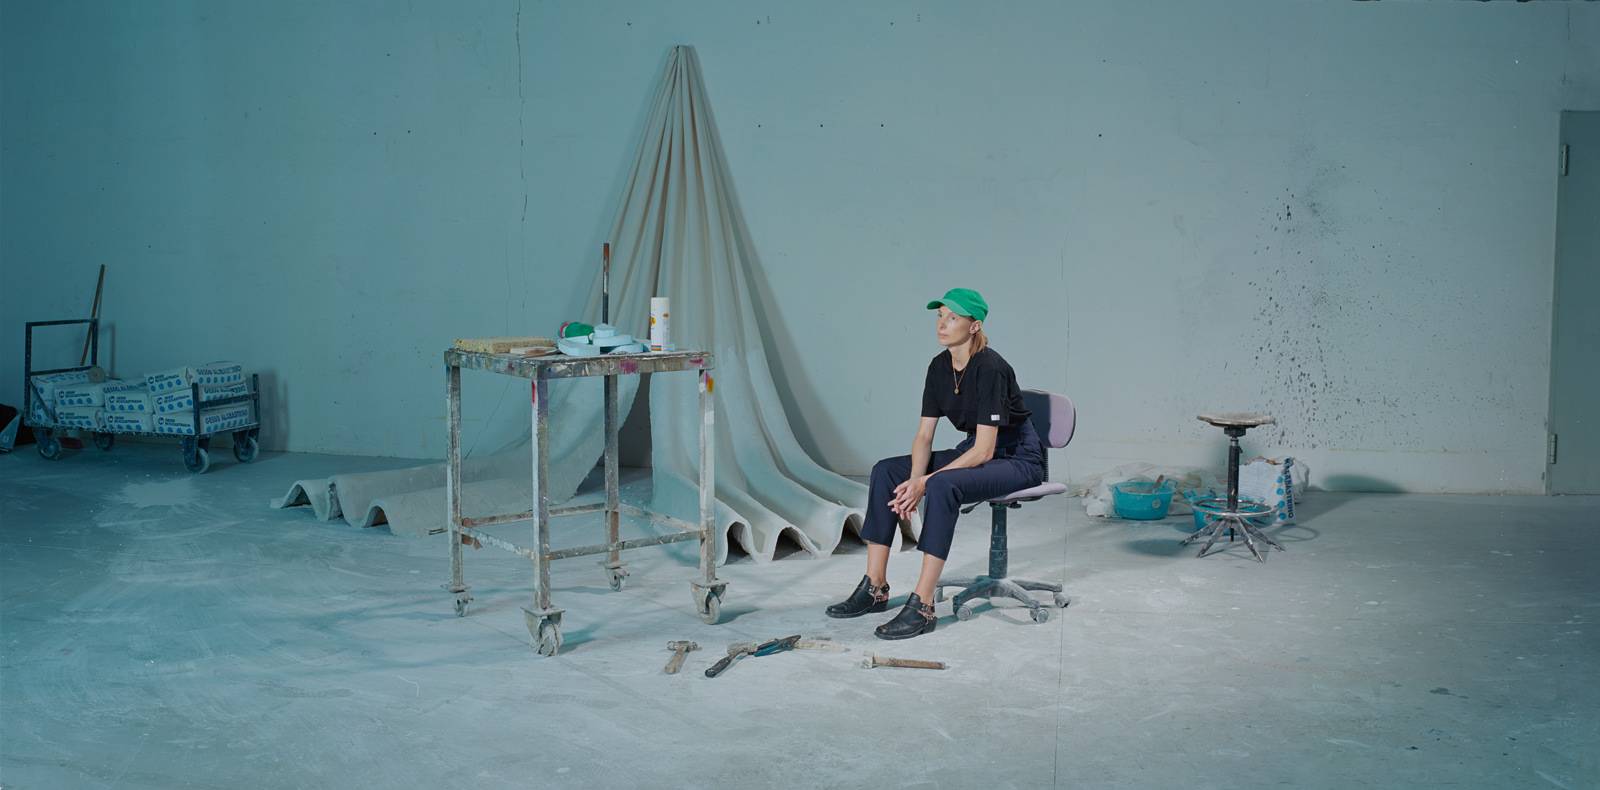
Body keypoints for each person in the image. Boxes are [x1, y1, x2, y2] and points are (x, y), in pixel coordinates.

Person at [827, 288, 1046, 639]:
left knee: (943, 483)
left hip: (1017, 457)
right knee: (886, 470)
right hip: (974, 448)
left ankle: (923, 605)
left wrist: (926, 483)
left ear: (974, 326)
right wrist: (914, 479)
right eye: (940, 316)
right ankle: (875, 586)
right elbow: (924, 436)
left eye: (953, 318)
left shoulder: (991, 368)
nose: (942, 324)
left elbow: (985, 451)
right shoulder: (939, 367)